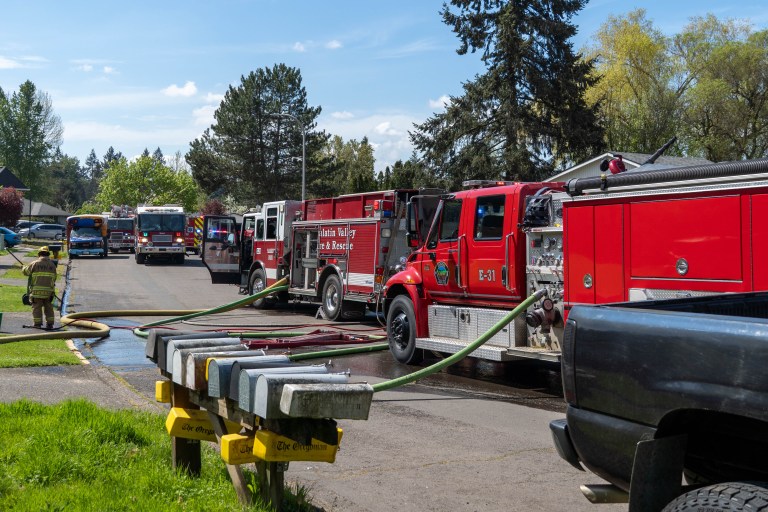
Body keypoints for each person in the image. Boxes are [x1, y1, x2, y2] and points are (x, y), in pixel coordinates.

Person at [22, 246, 58, 329]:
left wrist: (23, 267)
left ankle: (37, 324)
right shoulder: (52, 265)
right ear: (48, 254)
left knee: (37, 307)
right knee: (48, 307)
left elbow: (26, 272)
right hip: (49, 292)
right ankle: (50, 324)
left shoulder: (35, 263)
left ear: (39, 254)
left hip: (37, 292)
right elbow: (54, 278)